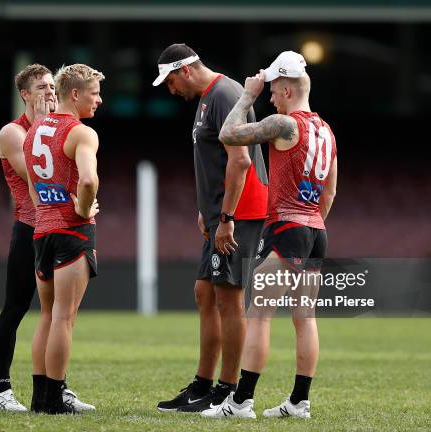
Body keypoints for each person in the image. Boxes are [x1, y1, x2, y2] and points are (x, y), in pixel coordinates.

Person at [201, 51, 338, 419]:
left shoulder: (283, 124)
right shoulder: (326, 130)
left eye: (274, 91)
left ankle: (241, 402)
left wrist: (248, 95)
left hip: (287, 226)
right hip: (315, 229)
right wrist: (310, 227)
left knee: (259, 314)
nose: (271, 98)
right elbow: (329, 194)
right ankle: (299, 402)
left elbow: (228, 133)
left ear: (287, 90)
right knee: (305, 317)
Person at [153, 43, 269, 413]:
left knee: (228, 298)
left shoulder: (224, 94)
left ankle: (228, 389)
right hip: (221, 213)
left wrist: (227, 217)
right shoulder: (209, 98)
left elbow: (240, 160)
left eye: (170, 82)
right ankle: (202, 385)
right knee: (205, 293)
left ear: (185, 70)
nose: (171, 90)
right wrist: (207, 210)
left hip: (240, 214)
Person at [24, 63, 103, 415]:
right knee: (63, 318)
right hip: (71, 232)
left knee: (46, 315)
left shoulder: (35, 129)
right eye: (94, 93)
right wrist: (85, 210)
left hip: (42, 230)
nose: (99, 100)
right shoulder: (81, 133)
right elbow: (88, 181)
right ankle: (55, 399)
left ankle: (39, 397)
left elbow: (33, 186)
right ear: (74, 94)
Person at [0, 64, 56, 411]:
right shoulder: (12, 133)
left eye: (52, 86)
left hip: (58, 228)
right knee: (16, 308)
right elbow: (37, 177)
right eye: (42, 86)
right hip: (29, 227)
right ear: (25, 94)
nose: (49, 92)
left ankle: (55, 389)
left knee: (57, 314)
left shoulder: (59, 126)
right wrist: (47, 127)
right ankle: (2, 390)